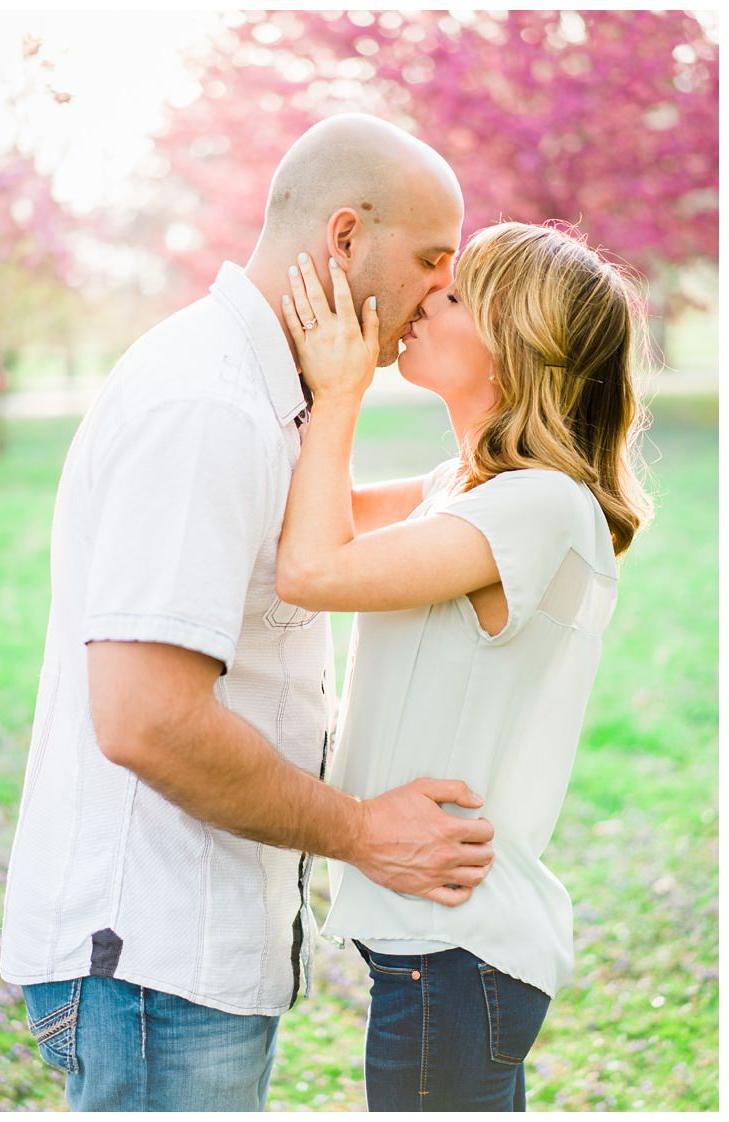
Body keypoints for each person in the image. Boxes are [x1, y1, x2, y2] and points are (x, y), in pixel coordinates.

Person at [0, 114, 498, 1112]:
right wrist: (360, 830)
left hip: (189, 956)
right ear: (345, 237)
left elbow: (352, 529)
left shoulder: (270, 394)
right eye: (431, 259)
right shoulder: (209, 407)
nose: (443, 290)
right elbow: (146, 719)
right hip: (151, 966)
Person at [276, 221, 651, 1110]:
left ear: (516, 351)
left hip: (455, 950)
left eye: (451, 297)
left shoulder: (541, 506)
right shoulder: (465, 487)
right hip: (436, 951)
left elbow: (313, 569)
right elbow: (305, 512)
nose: (421, 303)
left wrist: (341, 395)